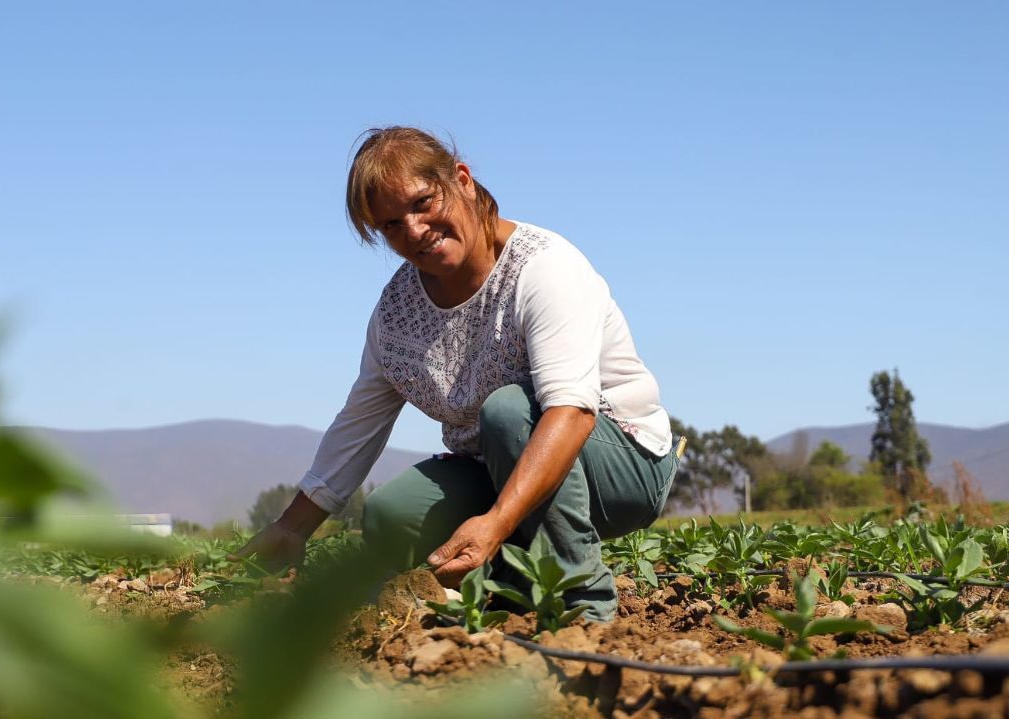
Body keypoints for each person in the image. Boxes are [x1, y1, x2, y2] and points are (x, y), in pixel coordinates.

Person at [233, 126, 678, 620]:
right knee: (393, 513)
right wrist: (292, 528)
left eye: (423, 203)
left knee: (508, 411)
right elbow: (359, 424)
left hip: (623, 462)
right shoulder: (398, 313)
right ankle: (507, 590)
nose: (415, 231)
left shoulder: (544, 269)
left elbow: (571, 412)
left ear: (462, 180)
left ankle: (582, 606)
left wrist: (497, 520)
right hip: (501, 463)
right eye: (391, 225)